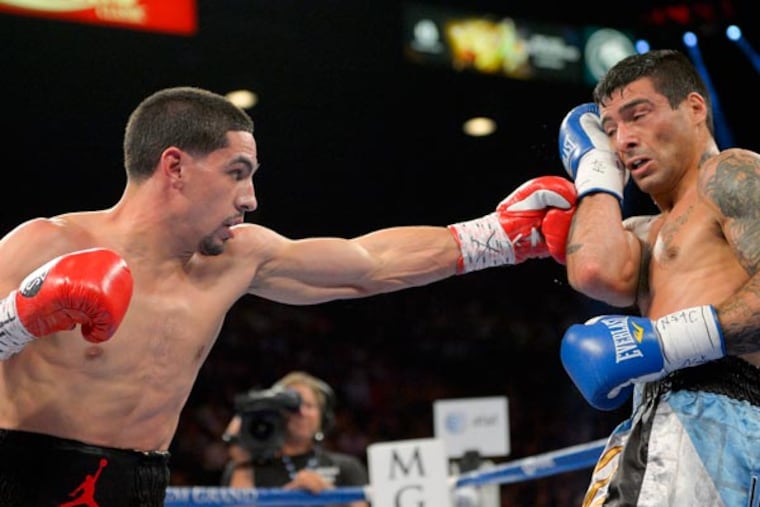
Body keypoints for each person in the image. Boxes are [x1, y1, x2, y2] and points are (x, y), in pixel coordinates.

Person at [0, 85, 576, 506]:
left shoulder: (235, 258)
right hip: (22, 477)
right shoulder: (47, 244)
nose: (250, 197)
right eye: (237, 172)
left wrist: (495, 237)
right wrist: (18, 317)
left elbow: (368, 265)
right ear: (174, 167)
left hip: (140, 484)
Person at [557, 49, 760, 506]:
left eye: (638, 115)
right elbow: (592, 271)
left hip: (713, 412)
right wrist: (596, 171)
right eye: (610, 130)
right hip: (665, 419)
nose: (623, 141)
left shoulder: (729, 174)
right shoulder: (643, 234)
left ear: (694, 108)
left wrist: (666, 342)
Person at [221, 371, 368, 507]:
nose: (302, 412)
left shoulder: (346, 467)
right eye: (293, 406)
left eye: (309, 405)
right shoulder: (245, 469)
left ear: (322, 417)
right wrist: (240, 452)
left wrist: (327, 495)